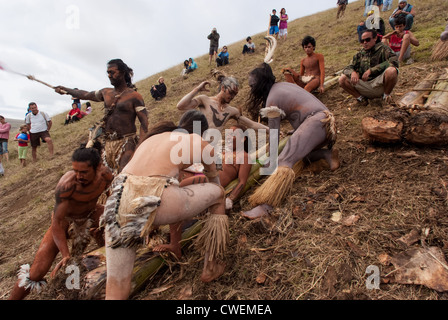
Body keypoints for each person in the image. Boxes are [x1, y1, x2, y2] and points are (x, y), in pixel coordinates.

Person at [103, 110, 229, 299]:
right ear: (201, 131)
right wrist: (223, 202)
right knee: (219, 195)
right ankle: (211, 266)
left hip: (117, 201)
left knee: (117, 286)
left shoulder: (153, 139)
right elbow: (215, 182)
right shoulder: (198, 142)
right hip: (156, 198)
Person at [8, 143, 113, 300]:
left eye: (83, 172)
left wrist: (108, 217)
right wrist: (65, 255)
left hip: (91, 213)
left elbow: (113, 192)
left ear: (98, 167)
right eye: (75, 171)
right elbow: (57, 222)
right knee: (37, 271)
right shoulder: (66, 185)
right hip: (66, 221)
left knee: (119, 223)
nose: (79, 176)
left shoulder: (105, 175)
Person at [242, 63, 340, 220]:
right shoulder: (282, 87)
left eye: (252, 85)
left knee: (284, 159)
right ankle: (326, 155)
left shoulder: (272, 99)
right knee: (296, 156)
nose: (251, 89)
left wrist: (271, 160)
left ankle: (266, 205)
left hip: (318, 122)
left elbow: (274, 135)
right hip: (327, 125)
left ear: (261, 84)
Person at [55, 59, 149, 174]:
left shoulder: (134, 96)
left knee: (123, 176)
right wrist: (66, 90)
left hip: (127, 143)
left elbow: (144, 124)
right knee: (105, 177)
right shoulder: (106, 93)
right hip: (108, 144)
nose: (109, 75)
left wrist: (139, 146)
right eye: (108, 73)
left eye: (112, 72)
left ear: (123, 72)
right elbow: (85, 94)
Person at [177, 70, 269, 133]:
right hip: (197, 144)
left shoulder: (232, 111)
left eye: (235, 94)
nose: (232, 96)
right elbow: (181, 106)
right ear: (223, 88)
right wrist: (197, 89)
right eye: (231, 92)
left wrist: (271, 131)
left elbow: (252, 124)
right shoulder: (205, 100)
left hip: (211, 150)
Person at [339, 29, 399, 105]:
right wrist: (352, 73)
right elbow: (347, 68)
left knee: (391, 71)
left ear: (375, 38)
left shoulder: (384, 49)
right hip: (364, 85)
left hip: (379, 83)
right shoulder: (359, 54)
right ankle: (361, 99)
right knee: (342, 79)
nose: (365, 43)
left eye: (367, 40)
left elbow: (394, 62)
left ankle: (386, 96)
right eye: (362, 41)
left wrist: (372, 70)